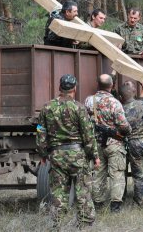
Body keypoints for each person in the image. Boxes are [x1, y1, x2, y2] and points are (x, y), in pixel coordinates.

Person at [35, 74, 100, 226]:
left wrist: (42, 153)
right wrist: (94, 155)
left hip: (56, 155)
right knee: (82, 190)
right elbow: (88, 135)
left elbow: (40, 131)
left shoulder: (46, 107)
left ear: (59, 88)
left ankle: (56, 224)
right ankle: (84, 224)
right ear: (74, 89)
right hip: (77, 155)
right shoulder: (79, 108)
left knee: (58, 192)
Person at [85, 74, 132, 213]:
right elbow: (123, 125)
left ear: (97, 84)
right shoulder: (115, 102)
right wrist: (128, 130)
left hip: (96, 144)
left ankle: (98, 204)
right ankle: (115, 207)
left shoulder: (89, 101)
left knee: (98, 174)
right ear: (111, 86)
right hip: (114, 143)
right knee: (117, 174)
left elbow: (86, 122)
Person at [119, 83, 143, 206]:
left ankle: (142, 204)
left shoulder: (121, 109)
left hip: (134, 143)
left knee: (139, 176)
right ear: (134, 93)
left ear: (121, 96)